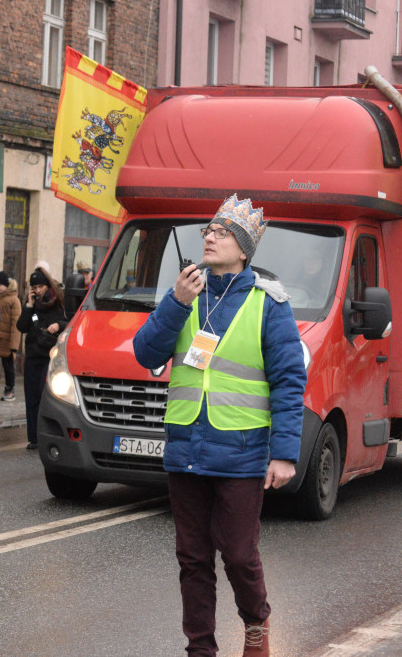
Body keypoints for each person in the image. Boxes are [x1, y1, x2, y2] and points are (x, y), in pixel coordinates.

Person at [132, 194, 306, 657]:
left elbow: (290, 381)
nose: (208, 236)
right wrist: (174, 303)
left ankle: (255, 624)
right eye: (207, 229)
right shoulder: (185, 293)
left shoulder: (269, 302)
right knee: (192, 558)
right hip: (185, 447)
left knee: (239, 555)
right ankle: (200, 649)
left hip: (242, 451)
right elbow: (146, 354)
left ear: (244, 248)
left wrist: (285, 453)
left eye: (221, 232)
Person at [16, 266, 66, 449]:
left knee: (43, 395)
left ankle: (48, 435)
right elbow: (21, 327)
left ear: (47, 286)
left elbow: (72, 321)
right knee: (31, 397)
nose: (37, 291)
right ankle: (34, 438)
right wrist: (28, 305)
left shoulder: (59, 299)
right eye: (34, 287)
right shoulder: (32, 304)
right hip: (32, 356)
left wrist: (58, 324)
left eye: (40, 287)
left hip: (50, 357)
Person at [0, 272, 21, 402]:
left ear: (6, 286)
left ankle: (10, 388)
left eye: (0, 285)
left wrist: (14, 346)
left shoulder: (14, 300)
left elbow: (16, 325)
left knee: (8, 366)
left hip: (7, 340)